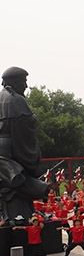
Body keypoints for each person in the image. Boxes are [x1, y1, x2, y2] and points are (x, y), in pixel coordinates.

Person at [0, 67, 49, 222]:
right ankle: (18, 214)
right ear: (14, 82)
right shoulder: (15, 100)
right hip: (13, 145)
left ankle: (20, 212)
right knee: (15, 178)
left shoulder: (2, 97)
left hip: (3, 146)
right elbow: (24, 125)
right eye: (24, 81)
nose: (26, 86)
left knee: (8, 179)